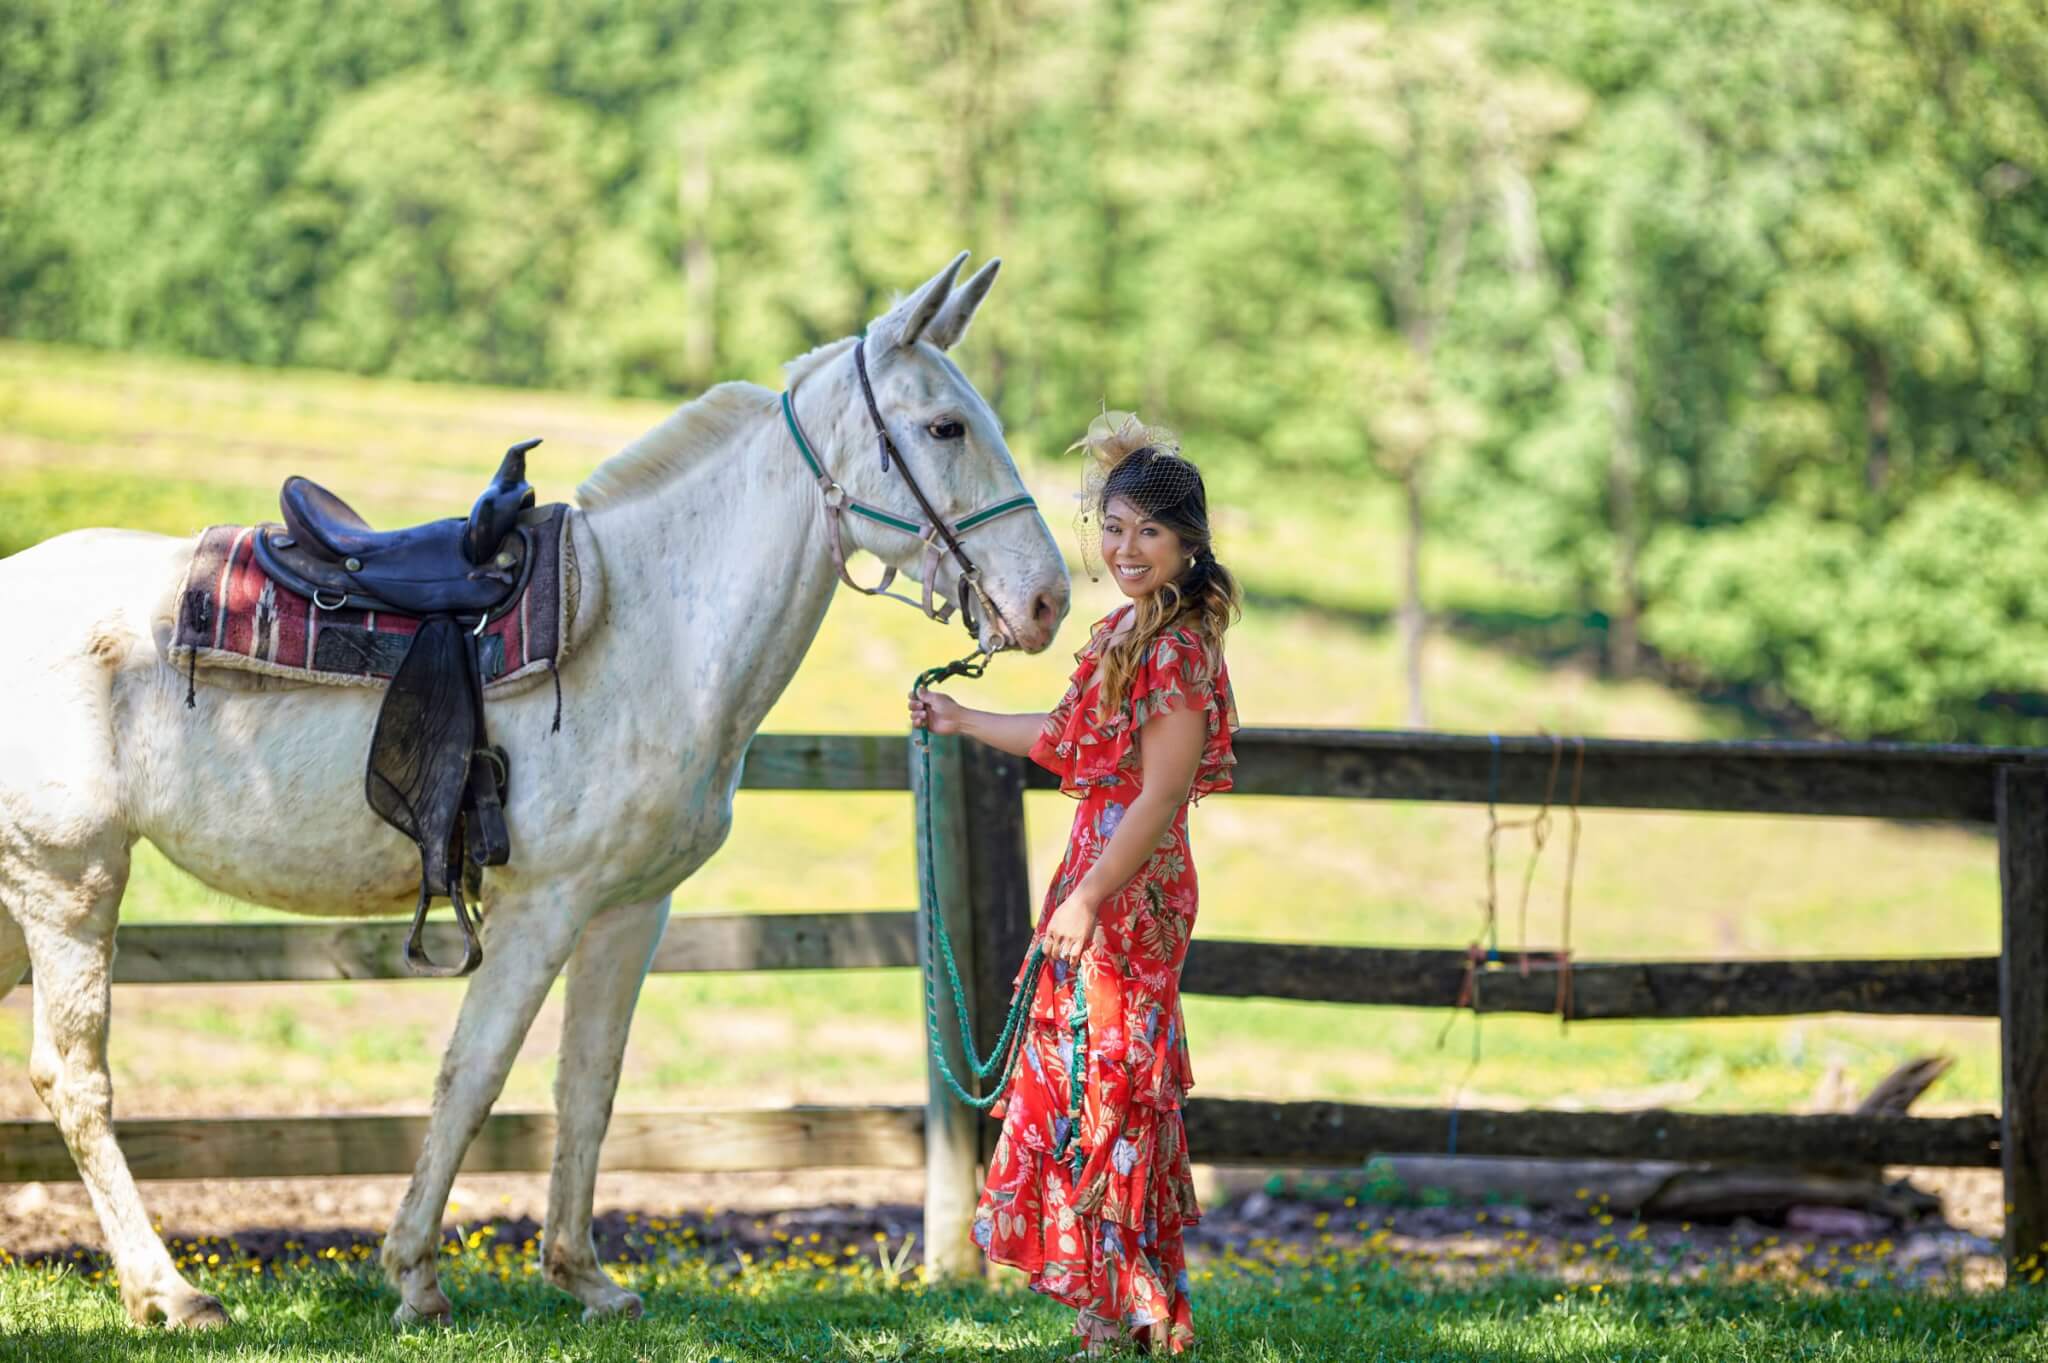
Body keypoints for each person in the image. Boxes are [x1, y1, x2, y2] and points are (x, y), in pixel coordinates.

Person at [909, 412, 1241, 1356]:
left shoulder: (1176, 646)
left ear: (1188, 545)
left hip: (1128, 888)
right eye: (1116, 527)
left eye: (1150, 532)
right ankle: (1118, 1304)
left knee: (1114, 1084)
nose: (1126, 548)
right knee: (1088, 1079)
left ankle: (1121, 1309)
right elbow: (1064, 741)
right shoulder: (1128, 633)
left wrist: (1091, 896)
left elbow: (1162, 791)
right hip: (1095, 876)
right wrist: (963, 718)